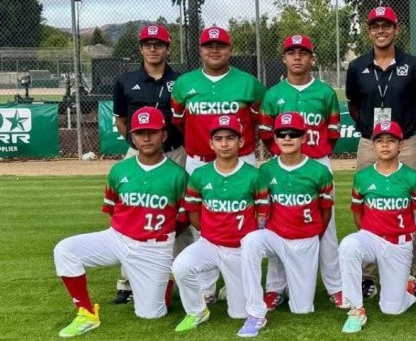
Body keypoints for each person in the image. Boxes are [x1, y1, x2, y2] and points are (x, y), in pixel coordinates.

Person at [52, 107, 188, 337]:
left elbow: (183, 219)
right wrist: (126, 230)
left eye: (152, 132)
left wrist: (161, 239)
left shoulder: (178, 175)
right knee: (65, 250)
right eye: (140, 132)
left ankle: (166, 277)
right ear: (131, 137)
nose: (146, 138)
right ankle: (86, 313)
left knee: (152, 314)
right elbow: (112, 209)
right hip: (116, 238)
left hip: (153, 247)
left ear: (164, 135)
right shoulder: (119, 170)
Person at [345, 5, 416, 297]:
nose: (381, 30)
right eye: (375, 26)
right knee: (370, 203)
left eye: (386, 25)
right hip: (370, 142)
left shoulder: (414, 65)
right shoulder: (357, 67)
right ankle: (368, 276)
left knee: (411, 205)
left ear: (396, 29)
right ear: (369, 31)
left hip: (405, 142)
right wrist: (370, 129)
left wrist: (407, 131)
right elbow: (353, 104)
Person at [258, 35, 345, 309]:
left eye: (303, 53)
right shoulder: (273, 94)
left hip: (318, 162)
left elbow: (332, 132)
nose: (297, 57)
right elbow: (265, 133)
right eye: (291, 52)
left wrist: (314, 153)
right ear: (283, 58)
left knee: (326, 227)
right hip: (281, 166)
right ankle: (275, 288)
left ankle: (336, 286)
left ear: (311, 58)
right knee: (277, 224)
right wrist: (284, 157)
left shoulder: (325, 92)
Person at [239, 112, 334, 337]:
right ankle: (255, 311)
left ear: (303, 138)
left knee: (301, 309)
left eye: (294, 133)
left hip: (305, 239)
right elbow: (262, 208)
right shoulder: (266, 170)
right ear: (275, 138)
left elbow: (325, 210)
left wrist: (314, 236)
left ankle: (283, 289)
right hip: (275, 236)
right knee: (251, 241)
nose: (288, 138)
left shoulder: (319, 171)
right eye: (282, 133)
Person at [172, 115, 269, 332]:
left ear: (241, 142)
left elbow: (263, 214)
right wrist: (208, 232)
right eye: (218, 138)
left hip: (239, 248)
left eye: (230, 138)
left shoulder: (254, 175)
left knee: (239, 313)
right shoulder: (199, 174)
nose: (224, 144)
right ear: (211, 143)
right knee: (181, 266)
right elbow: (192, 212)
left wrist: (252, 245)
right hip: (210, 243)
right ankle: (197, 311)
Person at [110, 24, 184, 305]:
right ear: (141, 48)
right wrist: (137, 143)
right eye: (148, 44)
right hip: (138, 154)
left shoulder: (182, 81)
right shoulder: (126, 80)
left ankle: (182, 276)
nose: (153, 48)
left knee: (181, 216)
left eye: (159, 44)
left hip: (176, 152)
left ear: (167, 48)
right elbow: (121, 120)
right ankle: (127, 283)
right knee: (132, 214)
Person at [338, 120, 416, 333]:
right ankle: (356, 309)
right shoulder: (362, 177)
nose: (385, 145)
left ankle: (408, 288)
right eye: (380, 141)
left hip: (398, 243)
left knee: (392, 310)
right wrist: (367, 232)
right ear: (373, 145)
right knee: (349, 245)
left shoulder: (412, 177)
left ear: (400, 145)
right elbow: (357, 214)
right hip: (371, 237)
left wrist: (407, 235)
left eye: (391, 140)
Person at [170, 26, 265, 175]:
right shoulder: (183, 83)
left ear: (230, 49)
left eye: (221, 46)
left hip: (241, 159)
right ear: (200, 51)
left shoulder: (249, 83)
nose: (214, 50)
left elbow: (259, 121)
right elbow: (180, 122)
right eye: (208, 46)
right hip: (198, 161)